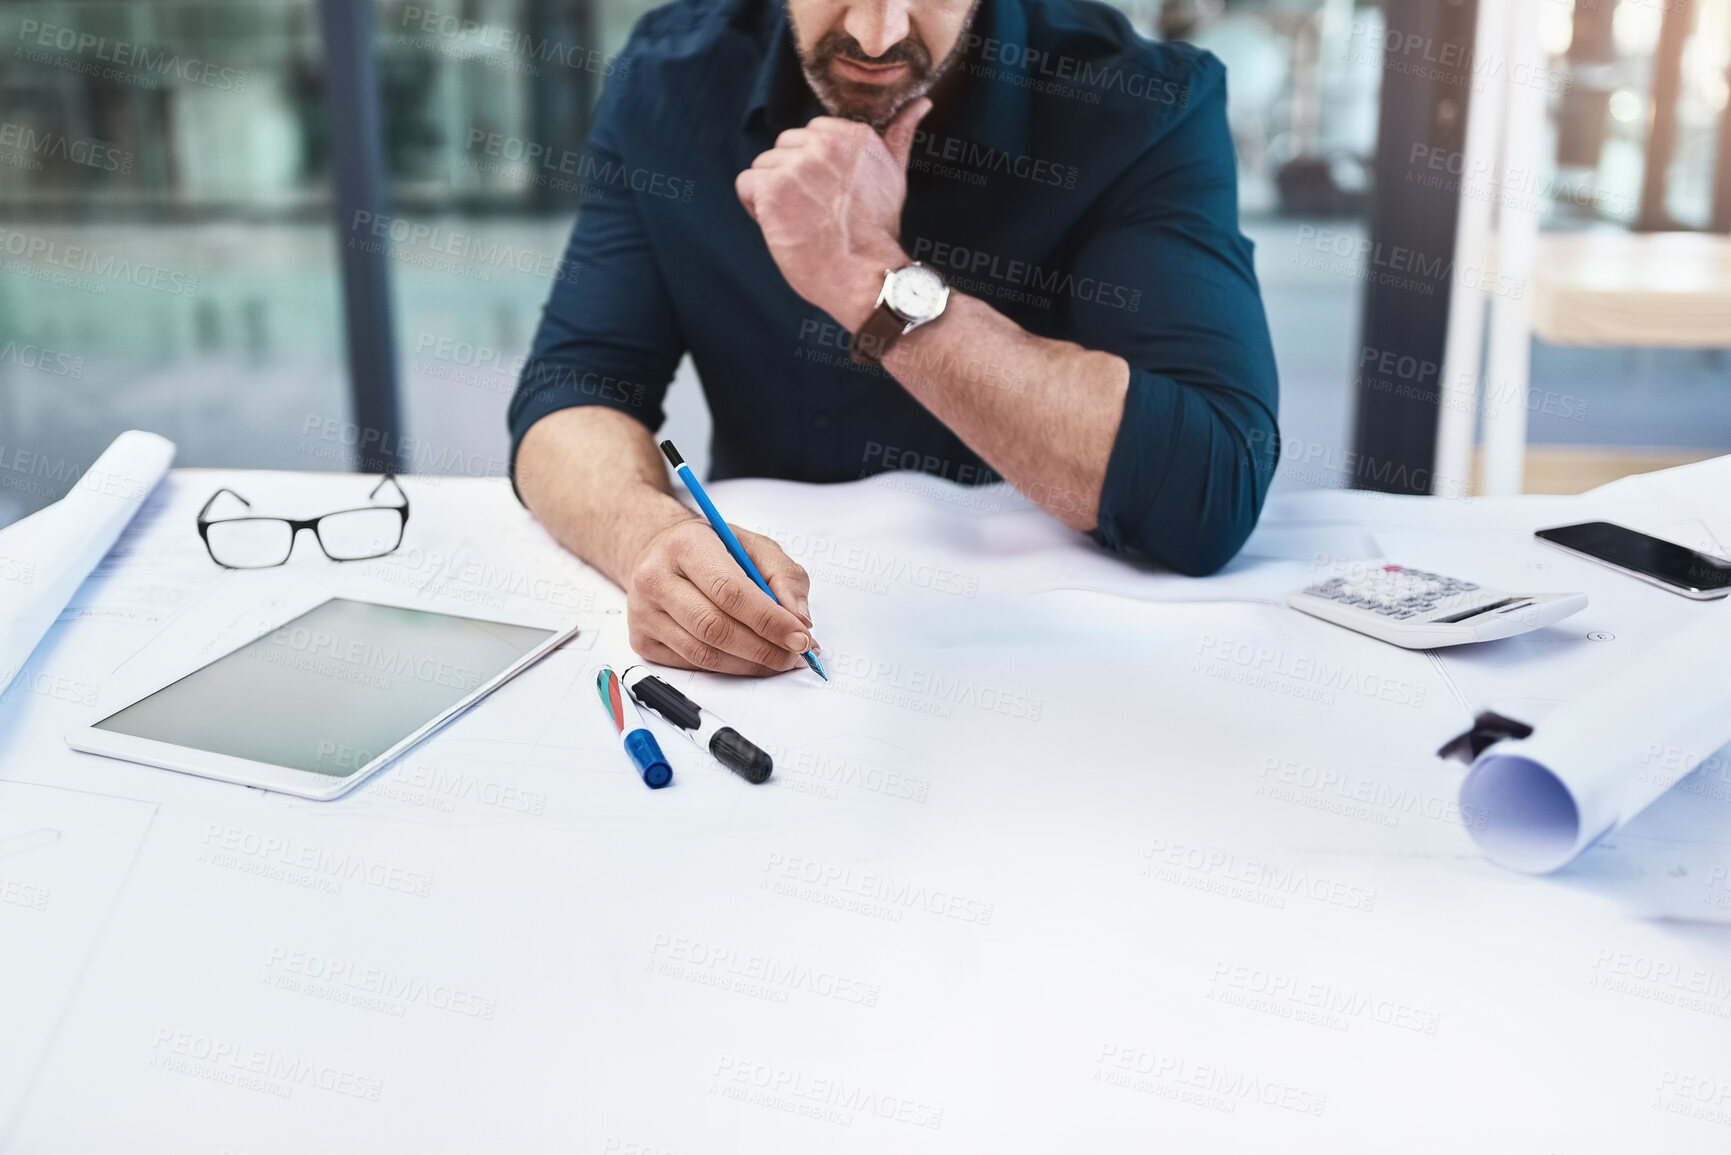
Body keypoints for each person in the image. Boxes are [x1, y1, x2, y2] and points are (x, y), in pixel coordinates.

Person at [509, 0, 1279, 676]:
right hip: (773, 645)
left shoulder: (1141, 104)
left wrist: (869, 278)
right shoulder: (669, 76)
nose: (876, 34)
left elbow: (1207, 489)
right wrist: (647, 536)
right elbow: (572, 387)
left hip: (1065, 660)